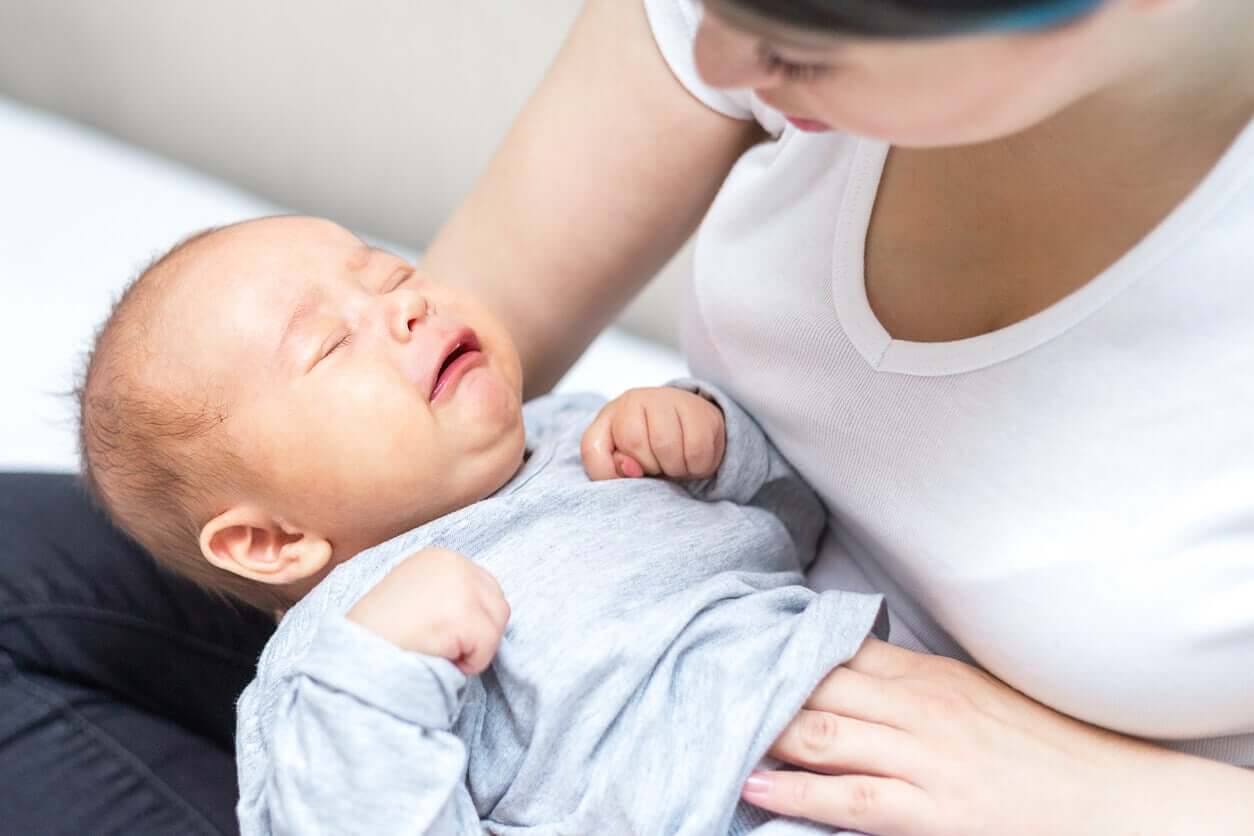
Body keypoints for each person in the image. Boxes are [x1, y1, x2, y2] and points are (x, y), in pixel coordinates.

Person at [1, 0, 1251, 833]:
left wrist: (1129, 799)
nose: (716, 60)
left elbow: (761, 526)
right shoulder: (347, 666)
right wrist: (377, 666)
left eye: (795, 40)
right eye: (335, 331)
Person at [77, 214, 886, 833]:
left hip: (891, 754)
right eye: (327, 346)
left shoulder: (582, 431)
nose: (406, 307)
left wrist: (715, 443)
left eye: (390, 275)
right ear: (271, 540)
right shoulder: (336, 672)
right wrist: (376, 676)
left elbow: (803, 531)